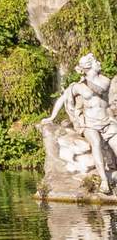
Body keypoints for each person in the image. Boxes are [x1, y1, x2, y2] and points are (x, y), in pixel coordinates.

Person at [45, 53, 117, 195]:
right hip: (89, 123)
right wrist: (52, 116)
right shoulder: (77, 87)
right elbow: (62, 99)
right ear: (89, 66)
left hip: (106, 121)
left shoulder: (104, 81)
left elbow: (100, 91)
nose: (99, 63)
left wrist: (84, 79)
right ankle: (104, 180)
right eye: (96, 61)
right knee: (95, 143)